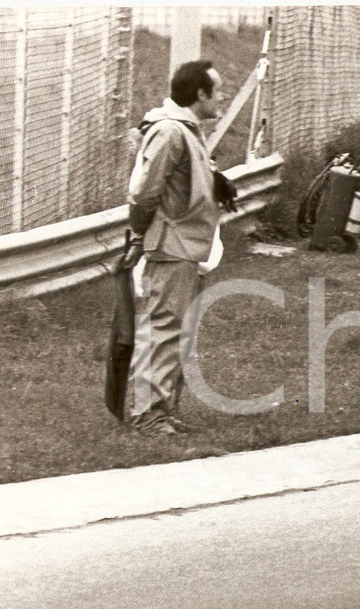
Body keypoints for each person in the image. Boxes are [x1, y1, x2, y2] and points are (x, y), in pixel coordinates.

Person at [120, 59, 231, 436]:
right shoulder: (169, 131)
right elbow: (144, 192)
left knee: (177, 330)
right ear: (200, 94)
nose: (222, 97)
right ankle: (148, 415)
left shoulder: (185, 129)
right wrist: (140, 235)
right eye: (217, 91)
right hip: (171, 245)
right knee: (163, 327)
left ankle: (163, 410)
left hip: (187, 245)